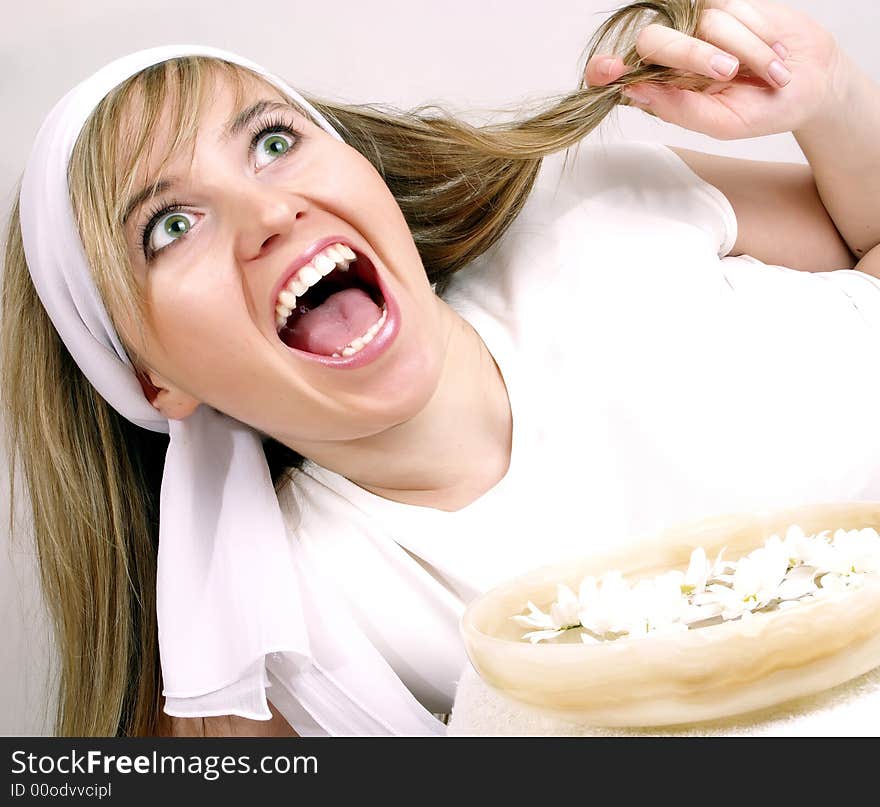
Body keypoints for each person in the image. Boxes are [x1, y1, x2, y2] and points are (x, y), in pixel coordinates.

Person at [2, 0, 879, 737]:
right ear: (153, 382)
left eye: (271, 142)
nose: (266, 210)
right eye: (170, 226)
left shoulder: (586, 202)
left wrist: (832, 93)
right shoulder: (299, 636)